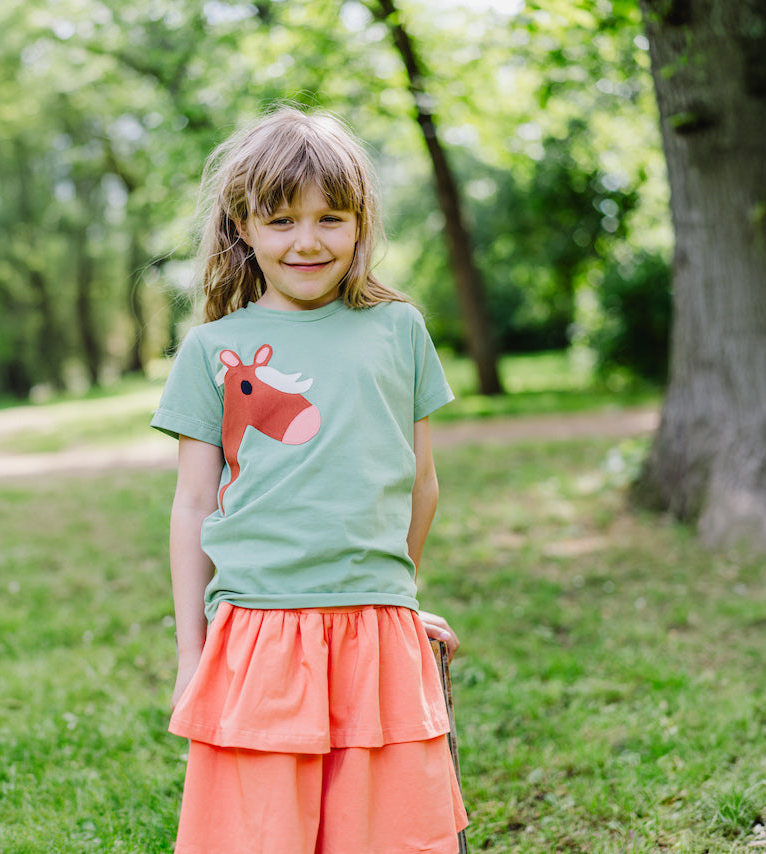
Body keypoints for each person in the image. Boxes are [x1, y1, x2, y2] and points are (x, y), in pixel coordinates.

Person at [151, 105, 468, 854]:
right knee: (260, 836)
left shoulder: (399, 330)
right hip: (256, 635)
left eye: (332, 218)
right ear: (244, 225)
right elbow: (194, 503)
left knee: (387, 834)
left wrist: (393, 599)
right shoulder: (211, 352)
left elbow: (420, 481)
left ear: (361, 223)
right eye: (282, 220)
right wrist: (192, 658)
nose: (307, 241)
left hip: (377, 635)